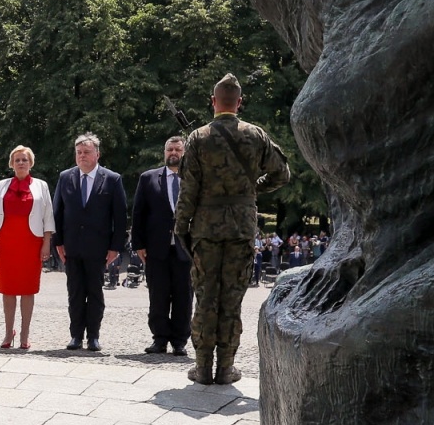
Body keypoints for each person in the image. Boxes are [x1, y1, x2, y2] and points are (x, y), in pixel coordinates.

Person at [174, 73, 291, 385]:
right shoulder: (256, 135)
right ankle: (226, 367)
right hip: (240, 227)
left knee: (205, 297)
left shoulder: (197, 138)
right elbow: (282, 174)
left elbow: (189, 191)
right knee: (232, 299)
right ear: (239, 102)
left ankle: (201, 367)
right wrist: (252, 189)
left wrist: (180, 227)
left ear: (214, 102)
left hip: (205, 229)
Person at [51, 133, 128, 352]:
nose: (82, 156)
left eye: (86, 152)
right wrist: (58, 242)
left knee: (95, 292)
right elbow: (58, 212)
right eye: (79, 152)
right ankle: (76, 335)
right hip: (72, 247)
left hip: (99, 248)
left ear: (97, 154)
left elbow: (119, 216)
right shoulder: (66, 177)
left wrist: (115, 247)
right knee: (74, 292)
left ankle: (93, 336)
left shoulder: (112, 179)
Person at [0, 145, 55, 350]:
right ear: (12, 163)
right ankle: (8, 332)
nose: (21, 163)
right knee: (7, 288)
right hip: (6, 242)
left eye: (24, 159)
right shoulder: (1, 185)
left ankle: (25, 333)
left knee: (27, 288)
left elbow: (48, 216)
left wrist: (46, 243)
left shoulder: (41, 185)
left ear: (31, 163)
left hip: (30, 241)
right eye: (17, 160)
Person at [131, 135, 193, 356]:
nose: (173, 153)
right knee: (158, 295)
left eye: (177, 149)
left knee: (183, 296)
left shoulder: (195, 178)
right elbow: (139, 213)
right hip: (156, 248)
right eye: (169, 149)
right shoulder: (149, 178)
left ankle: (179, 341)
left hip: (186, 249)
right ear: (164, 152)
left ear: (184, 152)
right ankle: (159, 339)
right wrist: (137, 244)